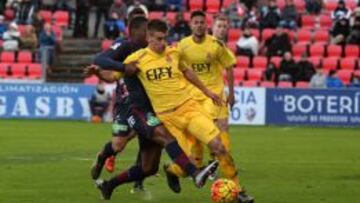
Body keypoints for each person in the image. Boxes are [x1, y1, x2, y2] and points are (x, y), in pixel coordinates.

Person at [89, 17, 219, 200]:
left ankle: (108, 185)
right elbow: (110, 72)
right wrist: (116, 69)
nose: (163, 42)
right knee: (164, 136)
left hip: (154, 111)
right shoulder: (135, 56)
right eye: (158, 38)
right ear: (146, 35)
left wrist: (205, 91)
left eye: (164, 38)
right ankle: (194, 173)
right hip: (136, 110)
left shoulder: (165, 55)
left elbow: (185, 71)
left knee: (149, 167)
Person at [150, 13, 253, 202]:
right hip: (191, 102)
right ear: (191, 25)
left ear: (207, 25)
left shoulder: (216, 45)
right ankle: (172, 171)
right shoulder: (182, 46)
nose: (199, 26)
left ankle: (238, 189)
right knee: (193, 159)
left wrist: (231, 93)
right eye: (195, 23)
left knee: (222, 143)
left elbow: (229, 66)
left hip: (214, 97)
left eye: (202, 23)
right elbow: (173, 66)